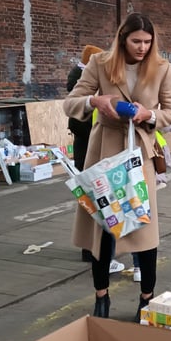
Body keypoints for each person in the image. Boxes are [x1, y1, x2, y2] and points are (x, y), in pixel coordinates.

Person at [63, 13, 171, 321]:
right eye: (136, 41)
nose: (142, 47)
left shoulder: (162, 68)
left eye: (147, 42)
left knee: (144, 229)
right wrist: (94, 103)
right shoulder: (100, 63)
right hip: (104, 153)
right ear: (122, 38)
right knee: (103, 229)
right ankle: (102, 297)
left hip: (140, 154)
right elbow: (71, 102)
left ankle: (146, 299)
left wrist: (148, 114)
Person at [67, 45, 126, 275]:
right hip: (90, 144)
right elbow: (78, 115)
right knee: (97, 198)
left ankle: (93, 250)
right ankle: (95, 252)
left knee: (94, 196)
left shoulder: (78, 77)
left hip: (89, 142)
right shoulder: (83, 82)